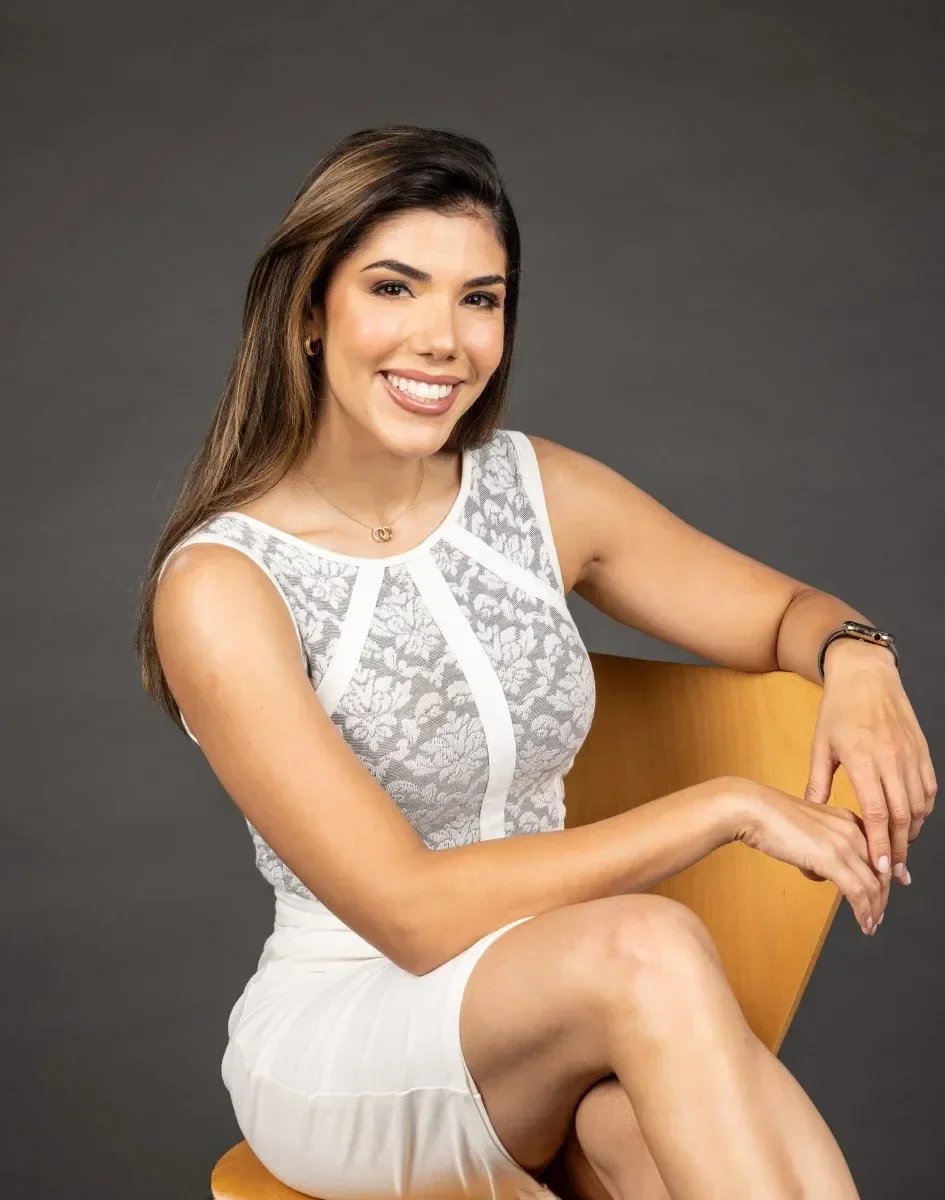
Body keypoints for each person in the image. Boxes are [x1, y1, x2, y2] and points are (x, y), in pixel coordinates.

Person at [136, 125, 875, 1200]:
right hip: (352, 1032)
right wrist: (725, 806)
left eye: (479, 298)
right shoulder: (221, 585)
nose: (444, 339)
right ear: (309, 311)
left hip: (560, 1011)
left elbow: (789, 616)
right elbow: (415, 914)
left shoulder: (539, 492)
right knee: (649, 947)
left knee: (650, 1133)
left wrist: (863, 662)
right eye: (396, 288)